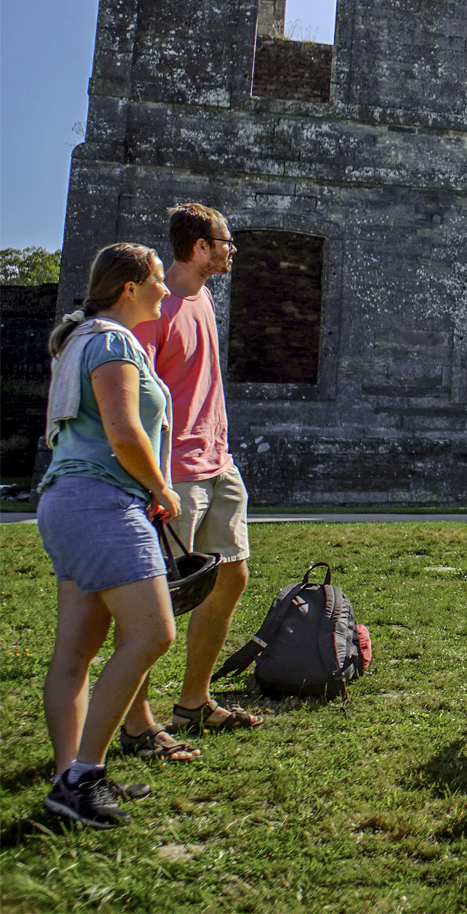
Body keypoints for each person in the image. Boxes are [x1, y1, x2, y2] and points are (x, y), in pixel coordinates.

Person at [37, 243, 183, 828]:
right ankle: (83, 777)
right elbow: (124, 432)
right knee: (152, 633)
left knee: (76, 650)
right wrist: (161, 488)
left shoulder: (80, 336)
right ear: (130, 288)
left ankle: (68, 780)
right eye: (156, 280)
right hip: (103, 500)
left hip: (66, 501)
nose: (164, 290)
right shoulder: (114, 340)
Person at [123, 203, 263, 747]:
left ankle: (193, 703)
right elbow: (131, 398)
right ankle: (136, 722)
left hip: (217, 463)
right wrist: (151, 479)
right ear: (200, 247)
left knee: (231, 575)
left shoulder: (202, 297)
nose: (231, 250)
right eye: (225, 241)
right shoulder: (152, 310)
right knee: (152, 598)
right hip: (173, 473)